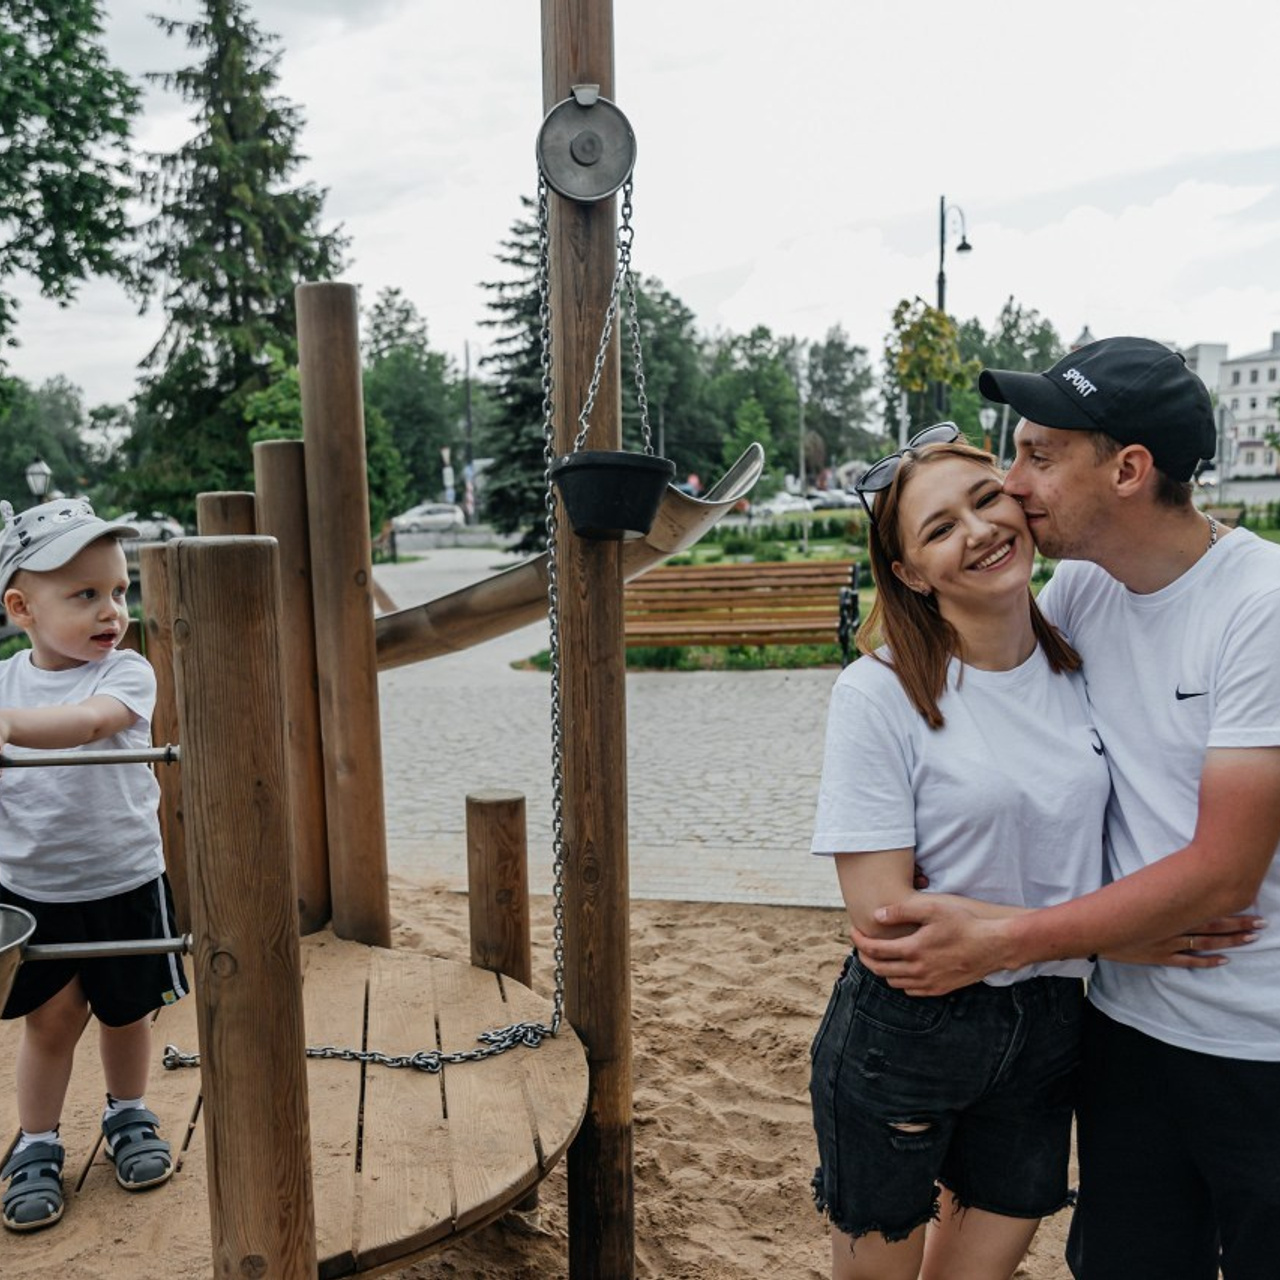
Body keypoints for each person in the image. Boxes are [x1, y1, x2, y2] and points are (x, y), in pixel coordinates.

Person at [852, 336, 1280, 1279]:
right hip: (1123, 1030)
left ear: (1128, 470)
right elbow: (986, 700)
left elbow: (1224, 872)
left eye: (1038, 456)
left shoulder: (1261, 606)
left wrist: (1005, 941)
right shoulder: (1082, 590)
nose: (1013, 484)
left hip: (1258, 1039)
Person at [0, 498, 188, 1232]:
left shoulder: (126, 674)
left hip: (124, 878)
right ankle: (37, 1141)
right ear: (22, 609)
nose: (112, 610)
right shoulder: (5, 685)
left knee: (126, 1012)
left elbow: (88, 724)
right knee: (49, 1021)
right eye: (85, 594)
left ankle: (129, 1113)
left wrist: (9, 728)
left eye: (118, 590)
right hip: (34, 885)